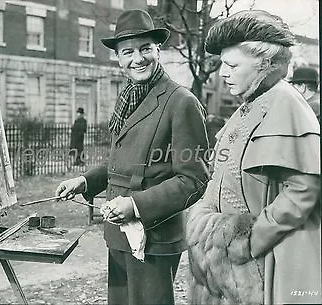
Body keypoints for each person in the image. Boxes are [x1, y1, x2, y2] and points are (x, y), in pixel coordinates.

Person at [55, 9, 209, 305]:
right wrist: (85, 181)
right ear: (118, 58)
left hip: (154, 239)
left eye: (145, 49)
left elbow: (194, 179)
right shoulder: (130, 96)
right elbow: (123, 159)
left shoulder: (181, 102)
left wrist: (136, 205)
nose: (137, 59)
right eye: (128, 52)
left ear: (157, 51)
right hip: (119, 234)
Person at [185, 10, 321, 305]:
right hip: (223, 265)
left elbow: (303, 190)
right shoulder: (250, 103)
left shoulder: (287, 104)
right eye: (222, 64)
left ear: (265, 64)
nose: (223, 72)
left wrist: (249, 240)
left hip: (261, 266)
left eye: (232, 64)